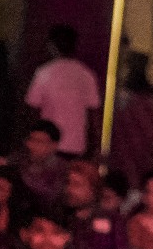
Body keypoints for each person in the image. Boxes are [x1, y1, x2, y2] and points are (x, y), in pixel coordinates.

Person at [25, 25, 101, 157]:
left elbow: (32, 109)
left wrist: (32, 139)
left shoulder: (44, 73)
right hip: (76, 145)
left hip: (47, 144)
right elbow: (94, 113)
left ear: (51, 46)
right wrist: (95, 145)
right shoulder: (86, 74)